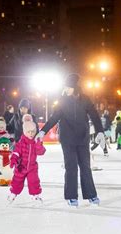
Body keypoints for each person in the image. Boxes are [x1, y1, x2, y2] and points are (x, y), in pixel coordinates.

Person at [36, 74, 105, 207]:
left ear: (74, 87)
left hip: (82, 138)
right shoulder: (63, 100)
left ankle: (91, 195)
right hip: (67, 139)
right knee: (71, 167)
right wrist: (43, 131)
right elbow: (54, 117)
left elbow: (94, 115)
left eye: (68, 87)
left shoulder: (85, 99)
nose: (65, 89)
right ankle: (71, 196)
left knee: (85, 167)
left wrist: (100, 131)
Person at [8, 114, 46, 203]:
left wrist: (38, 144)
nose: (31, 134)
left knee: (34, 181)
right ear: (25, 131)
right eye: (28, 132)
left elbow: (41, 152)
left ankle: (35, 196)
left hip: (32, 167)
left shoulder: (36, 141)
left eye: (33, 131)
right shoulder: (21, 142)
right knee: (17, 181)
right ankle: (13, 194)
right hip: (21, 166)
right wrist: (13, 160)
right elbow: (16, 152)